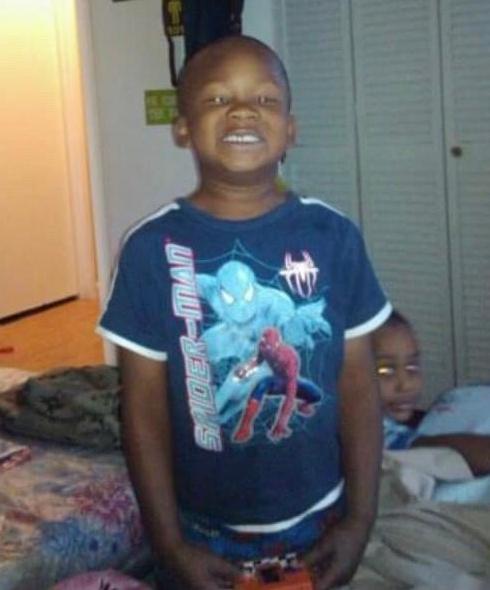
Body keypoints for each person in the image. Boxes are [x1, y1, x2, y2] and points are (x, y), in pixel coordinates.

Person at [97, 35, 391, 590]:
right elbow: (142, 408)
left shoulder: (333, 235)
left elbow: (358, 386)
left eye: (265, 99)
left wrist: (360, 519)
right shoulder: (150, 247)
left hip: (322, 513)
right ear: (182, 127)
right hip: (201, 524)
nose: (242, 110)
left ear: (291, 129)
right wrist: (168, 543)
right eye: (216, 98)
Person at [373, 309, 490, 477]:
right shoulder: (366, 431)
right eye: (386, 371)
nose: (406, 385)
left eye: (412, 367)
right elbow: (420, 447)